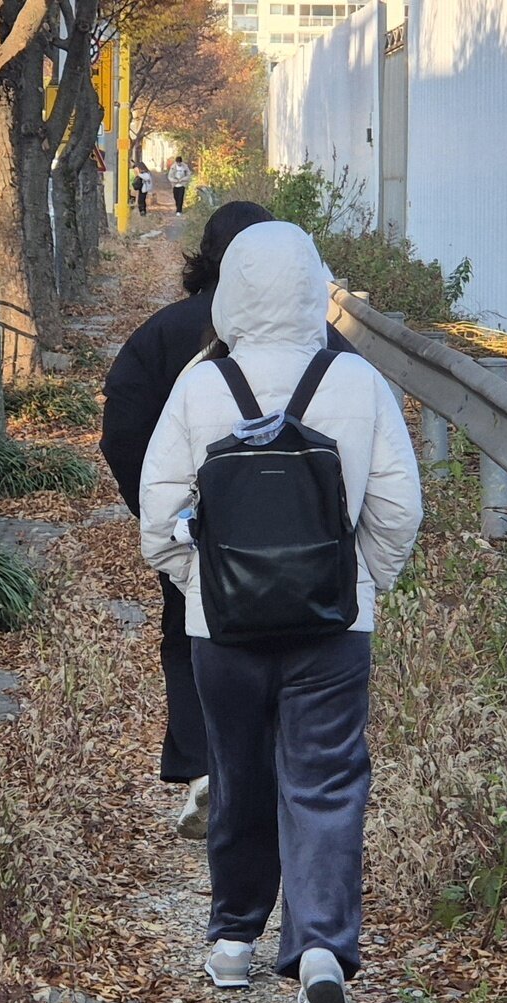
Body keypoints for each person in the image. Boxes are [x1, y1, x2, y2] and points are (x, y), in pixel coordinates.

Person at [138, 222, 422, 1003]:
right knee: (325, 780)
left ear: (230, 291)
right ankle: (323, 949)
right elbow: (399, 508)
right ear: (312, 287)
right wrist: (360, 583)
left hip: (223, 633)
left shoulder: (200, 384)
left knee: (238, 774)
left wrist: (207, 588)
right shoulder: (357, 379)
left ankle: (233, 941)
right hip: (334, 629)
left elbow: (159, 521)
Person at [99, 203, 359, 839]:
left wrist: (166, 523)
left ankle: (204, 769)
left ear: (207, 258)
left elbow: (121, 431)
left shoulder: (162, 335)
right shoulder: (329, 347)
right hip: (315, 549)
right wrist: (352, 546)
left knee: (189, 639)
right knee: (301, 653)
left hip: (199, 535)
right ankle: (281, 776)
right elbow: (371, 450)